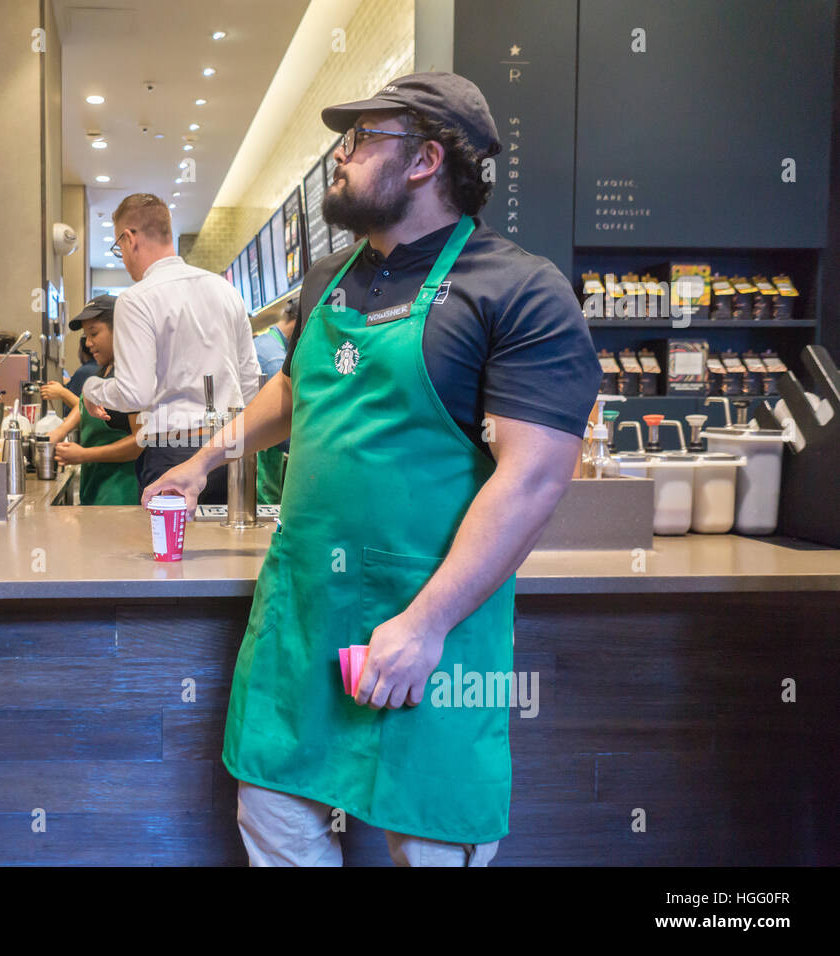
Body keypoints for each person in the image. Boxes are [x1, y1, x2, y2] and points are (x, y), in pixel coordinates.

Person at [142, 73, 600, 867]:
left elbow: (532, 478)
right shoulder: (326, 279)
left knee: (430, 838)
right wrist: (207, 457)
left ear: (424, 160)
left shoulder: (520, 290)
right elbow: (297, 387)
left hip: (434, 621)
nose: (339, 161)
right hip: (306, 610)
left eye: (358, 142)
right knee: (275, 819)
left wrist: (423, 627)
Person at [81, 193, 261, 505]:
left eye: (118, 247)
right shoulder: (226, 290)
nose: (122, 257)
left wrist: (92, 388)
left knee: (171, 553)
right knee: (228, 552)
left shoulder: (136, 299)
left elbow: (136, 394)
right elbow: (250, 381)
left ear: (129, 238)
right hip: (231, 451)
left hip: (173, 452)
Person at [47, 295, 141, 505]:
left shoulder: (131, 378)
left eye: (94, 333)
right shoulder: (104, 370)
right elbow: (84, 403)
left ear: (120, 330)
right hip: (96, 488)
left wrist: (84, 455)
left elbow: (139, 442)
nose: (88, 343)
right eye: (86, 336)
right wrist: (59, 432)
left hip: (121, 495)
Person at [252, 297, 298, 503]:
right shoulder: (275, 359)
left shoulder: (264, 342)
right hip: (264, 453)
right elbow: (281, 416)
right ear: (299, 323)